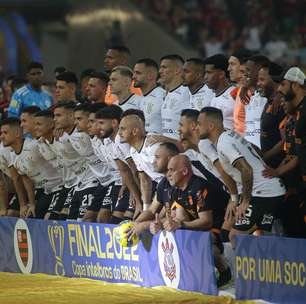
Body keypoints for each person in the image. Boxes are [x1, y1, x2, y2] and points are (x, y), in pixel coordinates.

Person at [198, 107, 286, 247]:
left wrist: (245, 201)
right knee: (229, 234)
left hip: (265, 193)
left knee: (235, 236)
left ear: (211, 126)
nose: (196, 127)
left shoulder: (224, 143)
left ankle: (251, 268)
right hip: (260, 191)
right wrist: (236, 199)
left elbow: (246, 170)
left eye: (199, 124)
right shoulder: (228, 135)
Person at [119, 113, 164, 210]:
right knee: (143, 219)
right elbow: (144, 180)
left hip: (177, 186)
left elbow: (171, 173)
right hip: (163, 187)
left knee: (146, 221)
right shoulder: (133, 151)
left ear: (135, 131)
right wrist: (145, 207)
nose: (119, 133)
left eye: (122, 129)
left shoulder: (153, 145)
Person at [258, 62, 285, 168]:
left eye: (262, 80)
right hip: (270, 167)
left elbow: (286, 140)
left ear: (274, 81)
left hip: (281, 169)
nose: (258, 83)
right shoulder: (269, 101)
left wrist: (264, 158)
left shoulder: (282, 105)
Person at [159, 54, 191, 139]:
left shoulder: (187, 92)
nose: (160, 71)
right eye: (160, 67)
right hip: (167, 145)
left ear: (177, 70)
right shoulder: (168, 94)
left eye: (164, 67)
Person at [244, 55, 270, 148]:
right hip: (251, 154)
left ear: (260, 71)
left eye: (248, 70)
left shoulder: (268, 98)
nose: (245, 74)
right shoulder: (253, 96)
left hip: (263, 156)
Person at [204, 54, 236, 130]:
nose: (205, 77)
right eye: (205, 73)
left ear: (221, 74)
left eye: (209, 73)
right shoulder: (212, 98)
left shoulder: (235, 94)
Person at [133, 58, 165, 133]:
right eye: (134, 73)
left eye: (138, 73)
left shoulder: (162, 96)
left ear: (150, 76)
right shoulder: (141, 98)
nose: (133, 76)